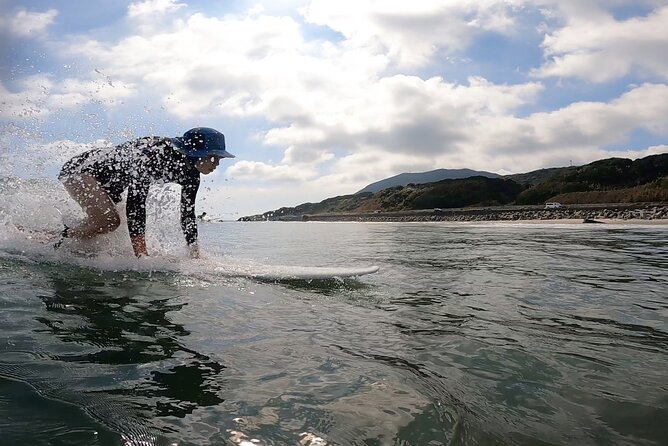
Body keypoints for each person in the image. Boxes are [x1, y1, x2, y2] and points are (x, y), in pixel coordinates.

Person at [56, 127, 235, 257]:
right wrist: (142, 256)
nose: (217, 164)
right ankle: (59, 238)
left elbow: (187, 215)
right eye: (215, 157)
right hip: (81, 170)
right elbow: (136, 202)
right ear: (197, 153)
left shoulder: (192, 175)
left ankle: (66, 236)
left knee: (111, 225)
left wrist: (194, 254)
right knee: (110, 221)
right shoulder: (155, 154)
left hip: (111, 182)